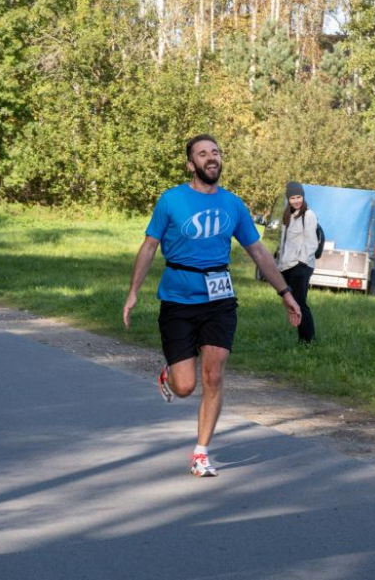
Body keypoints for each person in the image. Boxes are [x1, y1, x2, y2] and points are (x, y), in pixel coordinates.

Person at [122, 134, 302, 478]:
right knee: (185, 386)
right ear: (191, 164)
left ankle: (201, 453)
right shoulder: (171, 200)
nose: (211, 158)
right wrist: (133, 292)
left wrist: (285, 292)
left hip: (219, 299)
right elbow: (149, 247)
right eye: (203, 153)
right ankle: (170, 375)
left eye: (215, 152)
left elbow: (258, 251)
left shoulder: (233, 204)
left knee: (214, 375)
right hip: (177, 299)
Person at [278, 181, 318, 344]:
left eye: (299, 197)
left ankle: (308, 340)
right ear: (288, 199)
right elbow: (284, 243)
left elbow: (312, 242)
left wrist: (302, 263)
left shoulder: (308, 215)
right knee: (293, 303)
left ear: (303, 197)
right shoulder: (287, 216)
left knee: (300, 302)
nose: (296, 201)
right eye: (292, 198)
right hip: (287, 265)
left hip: (301, 266)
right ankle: (302, 339)